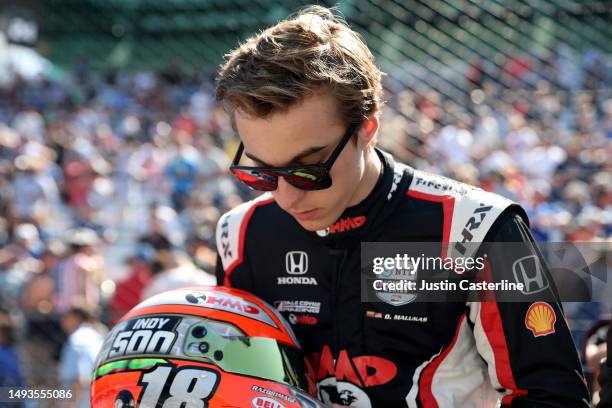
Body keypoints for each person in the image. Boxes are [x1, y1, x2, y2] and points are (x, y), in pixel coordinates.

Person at [214, 6, 590, 407]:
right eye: (262, 174)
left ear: (367, 128)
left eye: (309, 170)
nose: (286, 197)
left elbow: (552, 396)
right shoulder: (240, 236)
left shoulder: (476, 228)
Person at [59, 301, 105, 408]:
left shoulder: (77, 340)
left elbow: (80, 379)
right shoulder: (98, 337)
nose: (62, 320)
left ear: (75, 318)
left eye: (66, 316)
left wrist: (68, 405)